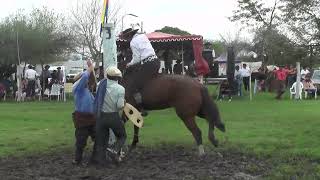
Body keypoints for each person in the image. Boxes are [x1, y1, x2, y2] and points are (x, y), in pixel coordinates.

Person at [120, 28, 160, 116]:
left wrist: (129, 64)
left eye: (126, 38)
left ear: (129, 36)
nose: (126, 39)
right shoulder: (143, 36)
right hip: (156, 62)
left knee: (134, 85)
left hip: (148, 64)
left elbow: (137, 58)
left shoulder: (133, 42)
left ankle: (141, 107)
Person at [93, 66, 126, 166]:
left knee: (102, 139)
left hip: (101, 116)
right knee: (122, 136)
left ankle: (102, 161)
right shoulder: (120, 89)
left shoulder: (100, 85)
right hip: (113, 116)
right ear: (117, 78)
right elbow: (120, 106)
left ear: (107, 76)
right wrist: (124, 103)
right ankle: (115, 150)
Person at [71, 60, 96, 165]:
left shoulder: (86, 90)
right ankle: (77, 160)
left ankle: (95, 158)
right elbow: (86, 77)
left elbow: (92, 79)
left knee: (98, 137)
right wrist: (90, 68)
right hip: (82, 119)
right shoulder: (78, 88)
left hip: (91, 118)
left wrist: (91, 69)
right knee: (81, 141)